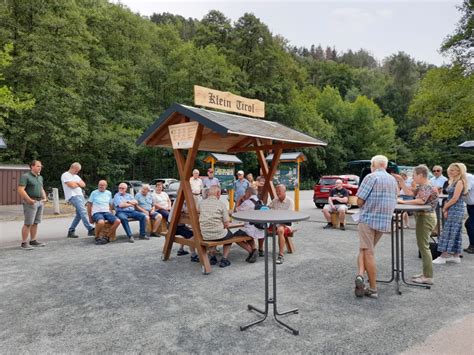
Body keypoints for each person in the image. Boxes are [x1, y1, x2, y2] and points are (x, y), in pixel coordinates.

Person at [354, 155, 398, 299]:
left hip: (368, 219)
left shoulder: (371, 177)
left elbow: (359, 201)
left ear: (373, 165)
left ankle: (373, 289)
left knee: (368, 252)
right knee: (364, 248)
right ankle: (360, 275)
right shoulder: (393, 179)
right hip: (383, 221)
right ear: (385, 165)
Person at [394, 165, 438, 285]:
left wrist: (403, 201)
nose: (412, 178)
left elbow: (420, 201)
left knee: (423, 246)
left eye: (414, 175)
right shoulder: (423, 186)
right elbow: (409, 192)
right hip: (424, 217)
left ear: (420, 175)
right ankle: (425, 273)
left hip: (426, 217)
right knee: (423, 246)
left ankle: (428, 276)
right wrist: (401, 181)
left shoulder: (427, 186)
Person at [432, 163, 468, 264]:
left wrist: (445, 208)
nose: (449, 171)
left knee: (449, 231)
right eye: (449, 170)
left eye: (452, 170)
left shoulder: (460, 182)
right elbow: (450, 198)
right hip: (453, 207)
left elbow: (455, 198)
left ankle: (444, 255)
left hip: (456, 208)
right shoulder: (453, 181)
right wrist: (446, 208)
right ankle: (456, 255)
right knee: (455, 231)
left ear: (459, 171)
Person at [198, 185, 234, 268]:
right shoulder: (221, 204)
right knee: (230, 236)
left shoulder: (201, 203)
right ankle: (224, 259)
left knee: (213, 231)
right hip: (218, 234)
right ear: (218, 193)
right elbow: (227, 223)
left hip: (205, 234)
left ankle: (212, 257)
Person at [17, 160, 47, 250]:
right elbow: (20, 190)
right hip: (30, 202)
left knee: (36, 222)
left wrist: (45, 198)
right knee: (28, 223)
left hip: (39, 202)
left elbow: (41, 188)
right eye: (38, 166)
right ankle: (24, 243)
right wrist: (29, 200)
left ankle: (33, 240)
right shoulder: (25, 176)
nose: (40, 167)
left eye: (40, 166)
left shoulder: (40, 177)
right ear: (32, 167)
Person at [61, 162, 95, 238]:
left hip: (80, 195)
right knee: (83, 212)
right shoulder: (65, 175)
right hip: (73, 196)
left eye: (78, 171)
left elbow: (84, 184)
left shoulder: (76, 176)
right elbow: (72, 186)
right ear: (72, 167)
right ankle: (90, 229)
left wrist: (76, 183)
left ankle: (71, 231)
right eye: (76, 170)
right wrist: (77, 184)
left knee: (79, 215)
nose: (77, 172)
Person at [233, 186, 264, 262]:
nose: (244, 195)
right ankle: (254, 249)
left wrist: (239, 199)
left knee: (234, 237)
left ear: (248, 193)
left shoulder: (247, 202)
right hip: (260, 229)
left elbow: (235, 212)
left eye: (245, 194)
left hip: (251, 229)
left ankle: (252, 251)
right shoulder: (260, 201)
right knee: (246, 234)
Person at [87, 180, 121, 245]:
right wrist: (90, 217)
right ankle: (97, 237)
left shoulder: (109, 193)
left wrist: (111, 212)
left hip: (106, 212)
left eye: (103, 185)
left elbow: (110, 204)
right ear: (98, 185)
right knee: (101, 222)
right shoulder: (94, 193)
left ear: (106, 186)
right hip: (97, 212)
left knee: (118, 221)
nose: (101, 186)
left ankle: (106, 237)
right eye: (100, 185)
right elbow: (89, 205)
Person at [268, 184, 294, 265]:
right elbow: (267, 208)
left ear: (284, 191)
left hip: (286, 223)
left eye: (279, 191)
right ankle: (260, 250)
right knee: (260, 226)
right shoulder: (275, 200)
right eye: (277, 191)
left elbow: (289, 217)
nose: (278, 193)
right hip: (276, 222)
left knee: (280, 230)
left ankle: (281, 255)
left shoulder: (290, 201)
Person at [463, 173, 474, 254]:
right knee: (471, 224)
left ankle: (473, 246)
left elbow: (466, 192)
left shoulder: (468, 177)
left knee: (469, 224)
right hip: (470, 205)